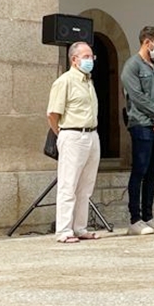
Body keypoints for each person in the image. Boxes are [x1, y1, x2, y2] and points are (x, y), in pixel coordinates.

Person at [46, 41, 102, 243]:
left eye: (91, 57)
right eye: (86, 57)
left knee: (86, 186)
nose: (90, 60)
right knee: (68, 184)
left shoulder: (89, 82)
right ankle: (63, 230)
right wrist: (61, 134)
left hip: (92, 135)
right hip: (72, 134)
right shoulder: (65, 81)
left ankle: (80, 227)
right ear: (74, 59)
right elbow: (53, 114)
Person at [120, 26, 154, 236]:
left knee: (153, 171)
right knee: (140, 171)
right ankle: (135, 218)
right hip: (141, 124)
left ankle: (149, 216)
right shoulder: (132, 66)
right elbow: (137, 97)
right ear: (146, 42)